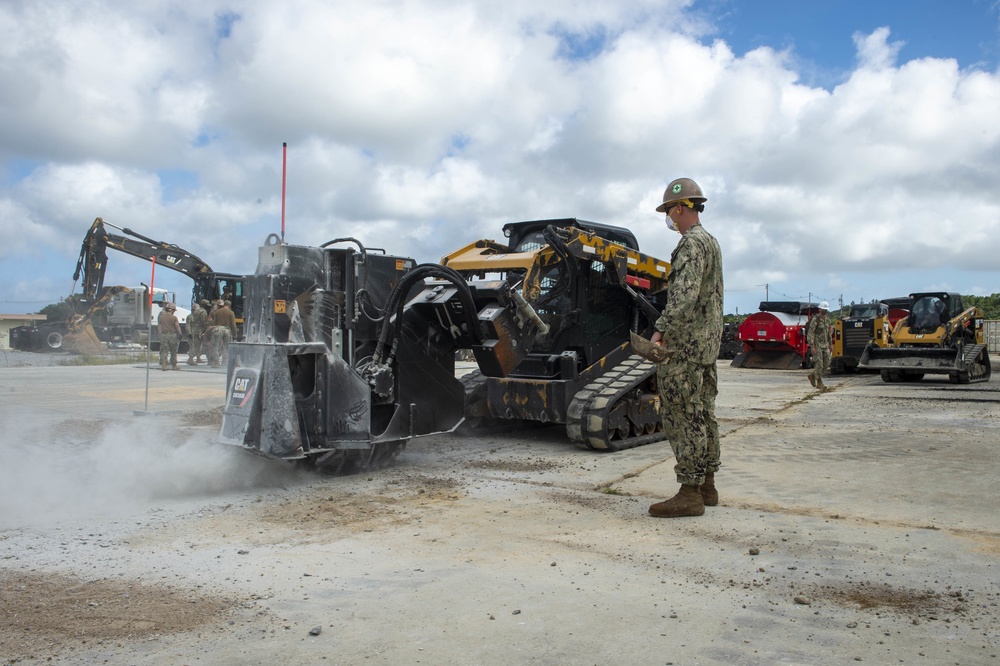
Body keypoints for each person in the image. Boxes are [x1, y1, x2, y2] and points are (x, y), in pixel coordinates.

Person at [647, 177, 724, 518]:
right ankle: (707, 486)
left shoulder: (690, 244)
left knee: (683, 416)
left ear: (680, 208)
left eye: (669, 212)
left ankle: (689, 493)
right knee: (704, 413)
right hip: (705, 348)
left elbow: (683, 296)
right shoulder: (711, 242)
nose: (669, 219)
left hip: (685, 349)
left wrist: (660, 330)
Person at [805, 301, 832, 390]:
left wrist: (830, 344)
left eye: (826, 310)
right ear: (820, 309)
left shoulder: (827, 319)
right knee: (819, 363)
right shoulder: (815, 319)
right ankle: (819, 382)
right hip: (817, 344)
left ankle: (813, 375)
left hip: (825, 344)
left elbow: (828, 333)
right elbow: (811, 333)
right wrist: (812, 346)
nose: (825, 311)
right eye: (823, 309)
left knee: (827, 362)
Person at [207, 298, 237, 367]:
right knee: (226, 347)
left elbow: (214, 323)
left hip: (218, 329)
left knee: (215, 346)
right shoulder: (231, 312)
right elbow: (233, 324)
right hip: (227, 330)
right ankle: (224, 362)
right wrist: (235, 334)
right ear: (229, 305)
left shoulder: (217, 312)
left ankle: (216, 362)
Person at [157, 302, 182, 371]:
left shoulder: (161, 317)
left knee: (164, 350)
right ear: (171, 310)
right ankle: (174, 365)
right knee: (173, 351)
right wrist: (180, 334)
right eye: (174, 310)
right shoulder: (174, 318)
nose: (174, 312)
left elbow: (159, 326)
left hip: (164, 335)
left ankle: (164, 365)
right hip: (172, 335)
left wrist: (160, 334)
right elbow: (177, 326)